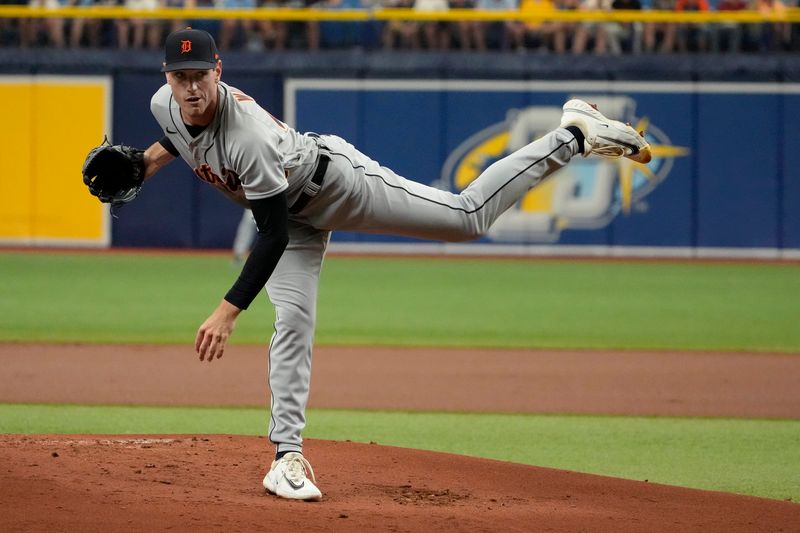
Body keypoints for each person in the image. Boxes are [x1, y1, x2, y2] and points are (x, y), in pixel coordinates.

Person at [141, 27, 650, 501]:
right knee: (293, 321)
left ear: (218, 72)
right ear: (167, 77)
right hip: (290, 218)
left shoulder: (247, 135)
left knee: (465, 218)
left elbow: (270, 235)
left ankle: (573, 135)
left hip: (335, 184)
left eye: (200, 76)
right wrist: (144, 166)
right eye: (180, 77)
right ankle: (287, 457)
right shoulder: (165, 105)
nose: (190, 88)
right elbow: (180, 137)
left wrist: (228, 309)